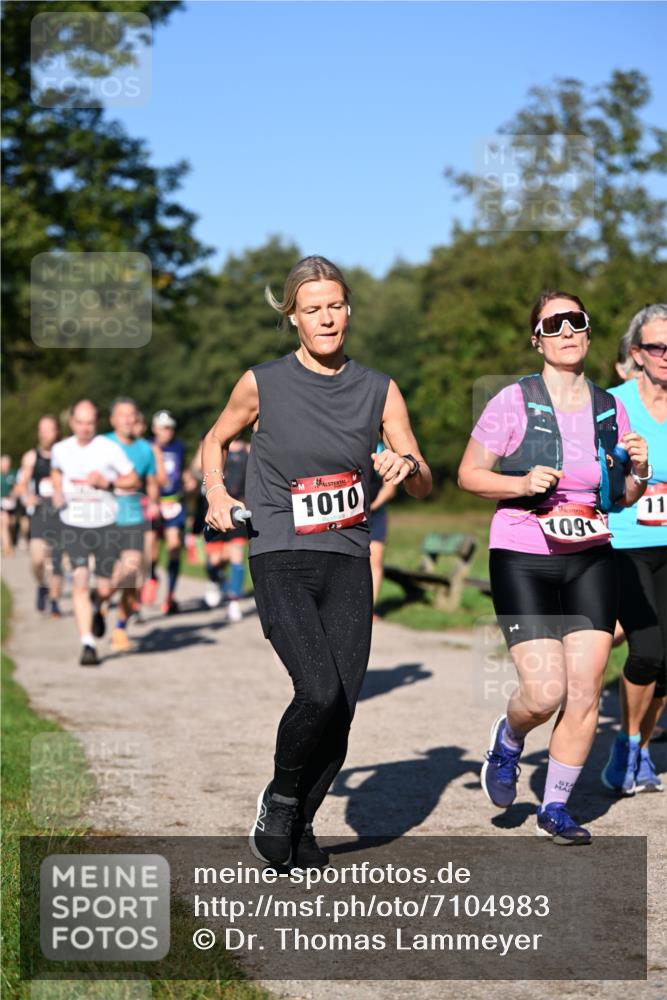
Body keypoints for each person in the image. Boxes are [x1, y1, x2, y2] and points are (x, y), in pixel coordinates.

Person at [202, 255, 432, 868]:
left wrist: (404, 465)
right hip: (280, 550)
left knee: (344, 705)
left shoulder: (380, 388)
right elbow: (215, 439)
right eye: (312, 310)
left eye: (335, 306)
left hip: (348, 556)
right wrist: (218, 492)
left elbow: (423, 479)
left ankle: (303, 820)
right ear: (293, 318)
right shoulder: (262, 382)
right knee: (318, 689)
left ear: (347, 310)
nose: (326, 318)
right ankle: (280, 798)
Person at [458, 290, 650, 845]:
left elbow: (619, 498)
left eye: (577, 321)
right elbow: (470, 475)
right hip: (523, 552)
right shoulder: (512, 401)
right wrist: (519, 484)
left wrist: (637, 470)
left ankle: (556, 808)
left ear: (588, 333)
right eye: (554, 323)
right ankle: (510, 738)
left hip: (590, 553)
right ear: (537, 338)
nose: (567, 330)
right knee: (544, 694)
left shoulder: (609, 408)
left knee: (585, 691)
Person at [601, 304, 667, 794]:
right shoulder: (614, 405)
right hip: (626, 543)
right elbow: (595, 481)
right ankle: (625, 743)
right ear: (636, 353)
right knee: (647, 650)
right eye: (656, 347)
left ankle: (641, 750)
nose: (665, 355)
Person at [50, 400, 139, 666]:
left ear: (96, 423)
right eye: (80, 422)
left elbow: (133, 480)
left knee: (105, 584)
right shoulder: (60, 449)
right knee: (79, 579)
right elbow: (56, 470)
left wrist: (108, 482)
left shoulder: (109, 449)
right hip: (73, 522)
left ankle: (97, 601)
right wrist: (57, 490)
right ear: (72, 422)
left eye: (90, 422)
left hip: (105, 524)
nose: (85, 427)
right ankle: (87, 644)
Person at [105, 398, 161, 652]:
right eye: (122, 415)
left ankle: (119, 626)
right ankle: (99, 603)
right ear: (112, 420)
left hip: (134, 520)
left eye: (131, 415)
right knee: (108, 581)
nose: (127, 419)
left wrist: (153, 502)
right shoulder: (102, 445)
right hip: (103, 519)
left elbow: (151, 481)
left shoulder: (144, 449)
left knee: (131, 577)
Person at [15, 415, 64, 617]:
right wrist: (26, 497)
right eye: (42, 430)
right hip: (40, 514)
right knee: (37, 560)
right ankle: (42, 585)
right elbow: (21, 486)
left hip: (61, 514)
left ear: (57, 431)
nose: (45, 434)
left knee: (57, 560)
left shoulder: (65, 454)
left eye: (49, 429)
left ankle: (54, 601)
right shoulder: (31, 457)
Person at [197, 438, 249, 621]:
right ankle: (215, 581)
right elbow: (197, 469)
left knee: (236, 554)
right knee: (216, 559)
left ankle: (234, 602)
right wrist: (206, 447)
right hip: (216, 509)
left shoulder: (248, 452)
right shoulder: (213, 444)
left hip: (238, 509)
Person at [145, 410, 187, 615]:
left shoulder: (179, 447)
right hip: (153, 503)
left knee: (174, 546)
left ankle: (170, 594)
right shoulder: (147, 447)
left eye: (170, 427)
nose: (167, 431)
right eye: (163, 427)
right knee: (150, 549)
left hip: (174, 504)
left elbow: (182, 471)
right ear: (154, 429)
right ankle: (151, 576)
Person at [368, 441, 398, 613]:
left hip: (376, 512)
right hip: (349, 512)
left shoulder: (384, 448)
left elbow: (390, 489)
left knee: (375, 560)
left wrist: (371, 507)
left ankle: (369, 609)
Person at [1, 455, 18, 556]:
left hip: (11, 504)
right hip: (1, 503)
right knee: (4, 522)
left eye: (7, 463)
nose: (5, 465)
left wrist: (13, 494)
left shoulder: (13, 474)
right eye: (3, 463)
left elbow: (17, 487)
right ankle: (6, 547)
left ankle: (7, 542)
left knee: (10, 524)